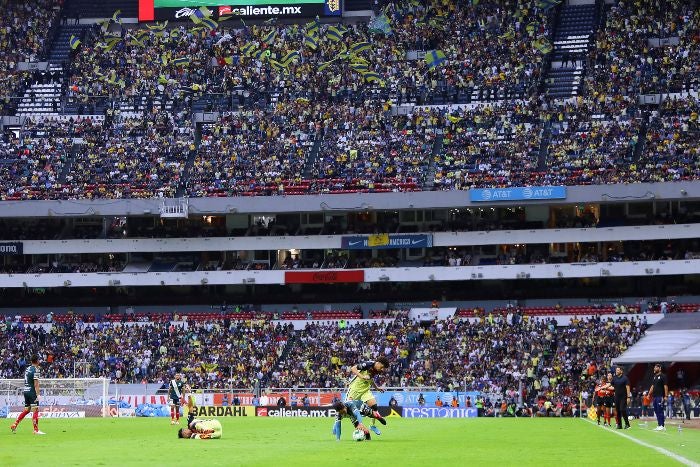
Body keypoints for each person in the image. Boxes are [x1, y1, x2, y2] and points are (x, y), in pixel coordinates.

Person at [346, 356, 389, 436]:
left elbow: (370, 378)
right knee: (351, 411)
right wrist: (362, 377)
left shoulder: (377, 370)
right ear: (378, 363)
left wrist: (376, 388)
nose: (382, 369)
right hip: (355, 390)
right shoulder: (367, 364)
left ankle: (372, 425)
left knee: (374, 407)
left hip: (366, 390)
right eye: (382, 367)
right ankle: (362, 431)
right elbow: (353, 368)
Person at [10, 355, 45, 435]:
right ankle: (36, 430)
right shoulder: (36, 370)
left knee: (27, 410)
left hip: (25, 391)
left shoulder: (27, 369)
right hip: (32, 392)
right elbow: (36, 384)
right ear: (37, 361)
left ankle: (15, 424)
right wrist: (38, 394)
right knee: (35, 410)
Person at [648, 363, 668, 431]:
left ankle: (662, 425)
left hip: (660, 396)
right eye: (654, 367)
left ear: (660, 368)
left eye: (656, 367)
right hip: (655, 396)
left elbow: (665, 386)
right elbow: (652, 386)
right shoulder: (655, 376)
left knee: (660, 411)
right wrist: (648, 394)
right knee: (656, 411)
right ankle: (659, 425)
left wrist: (665, 396)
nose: (654, 369)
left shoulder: (663, 376)